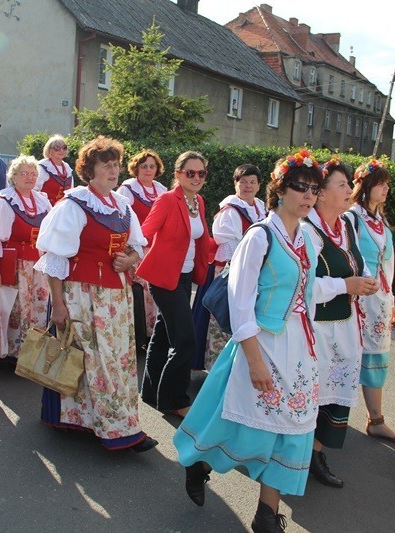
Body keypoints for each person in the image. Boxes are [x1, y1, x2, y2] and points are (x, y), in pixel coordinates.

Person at [174, 153, 322, 533]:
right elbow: (240, 305)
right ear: (280, 189)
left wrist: (347, 287)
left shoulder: (308, 237)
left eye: (314, 189)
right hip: (262, 342)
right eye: (300, 187)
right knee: (243, 424)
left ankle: (266, 515)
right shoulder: (259, 237)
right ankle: (200, 461)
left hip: (298, 347)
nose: (308, 196)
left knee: (291, 428)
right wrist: (254, 359)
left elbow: (309, 291)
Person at [34, 135, 157, 452]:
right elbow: (55, 259)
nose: (113, 171)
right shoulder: (73, 205)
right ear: (89, 171)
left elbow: (137, 247)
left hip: (116, 298)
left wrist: (129, 259)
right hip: (82, 295)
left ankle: (99, 420)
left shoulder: (123, 205)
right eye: (106, 165)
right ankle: (117, 430)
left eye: (116, 165)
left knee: (116, 361)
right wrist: (58, 305)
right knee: (92, 360)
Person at [302, 151, 379, 489]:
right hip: (315, 327)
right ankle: (295, 455)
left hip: (345, 325)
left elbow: (356, 262)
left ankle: (316, 453)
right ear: (320, 193)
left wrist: (364, 280)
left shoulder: (346, 224)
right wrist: (344, 285)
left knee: (334, 395)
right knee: (310, 393)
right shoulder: (306, 229)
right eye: (342, 184)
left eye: (349, 183)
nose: (350, 189)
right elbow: (302, 286)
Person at [137, 151, 211, 418]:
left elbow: (202, 238)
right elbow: (146, 230)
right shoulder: (168, 200)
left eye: (201, 173)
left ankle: (150, 390)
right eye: (190, 172)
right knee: (185, 340)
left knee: (164, 334)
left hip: (186, 276)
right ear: (178, 174)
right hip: (164, 278)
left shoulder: (198, 201)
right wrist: (129, 250)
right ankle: (174, 399)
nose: (196, 178)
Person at [343, 159, 395, 446]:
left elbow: (389, 262)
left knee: (377, 356)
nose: (385, 189)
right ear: (366, 186)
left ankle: (375, 419)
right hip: (357, 298)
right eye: (380, 183)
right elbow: (347, 255)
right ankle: (330, 417)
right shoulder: (351, 218)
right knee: (346, 353)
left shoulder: (380, 219)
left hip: (379, 299)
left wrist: (390, 297)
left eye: (387, 184)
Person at [191, 163, 266, 371]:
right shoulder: (230, 211)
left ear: (259, 185)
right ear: (235, 184)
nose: (248, 186)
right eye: (243, 182)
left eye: (252, 182)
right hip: (229, 272)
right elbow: (232, 248)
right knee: (224, 318)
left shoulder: (260, 207)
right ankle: (219, 367)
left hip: (253, 270)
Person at [0, 155, 51, 361]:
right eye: (24, 173)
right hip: (15, 265)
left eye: (33, 174)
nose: (29, 178)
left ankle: (32, 351)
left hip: (38, 265)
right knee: (16, 307)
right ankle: (13, 351)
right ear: (14, 176)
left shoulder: (42, 201)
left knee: (38, 305)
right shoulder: (5, 203)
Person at [116, 149, 167, 356]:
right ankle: (139, 335)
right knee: (140, 290)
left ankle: (153, 334)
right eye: (144, 166)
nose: (148, 170)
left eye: (152, 166)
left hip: (157, 248)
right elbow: (120, 217)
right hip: (135, 248)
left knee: (156, 291)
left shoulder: (161, 190)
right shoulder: (127, 189)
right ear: (136, 168)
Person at [35, 134, 74, 205]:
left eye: (64, 147)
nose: (61, 150)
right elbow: (33, 190)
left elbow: (71, 191)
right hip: (44, 209)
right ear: (50, 151)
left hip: (62, 211)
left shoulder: (67, 168)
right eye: (57, 148)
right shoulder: (42, 167)